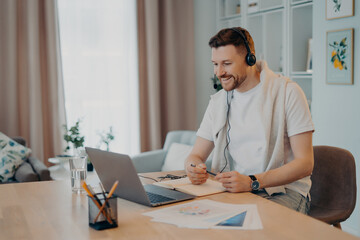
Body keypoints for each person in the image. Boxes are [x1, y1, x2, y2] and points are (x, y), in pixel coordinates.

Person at [185, 27, 314, 214]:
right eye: (215, 64)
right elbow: (195, 155)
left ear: (249, 59)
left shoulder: (288, 92)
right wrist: (192, 168)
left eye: (227, 64)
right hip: (237, 191)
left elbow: (305, 163)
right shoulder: (218, 102)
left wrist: (253, 181)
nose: (219, 73)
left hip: (283, 192)